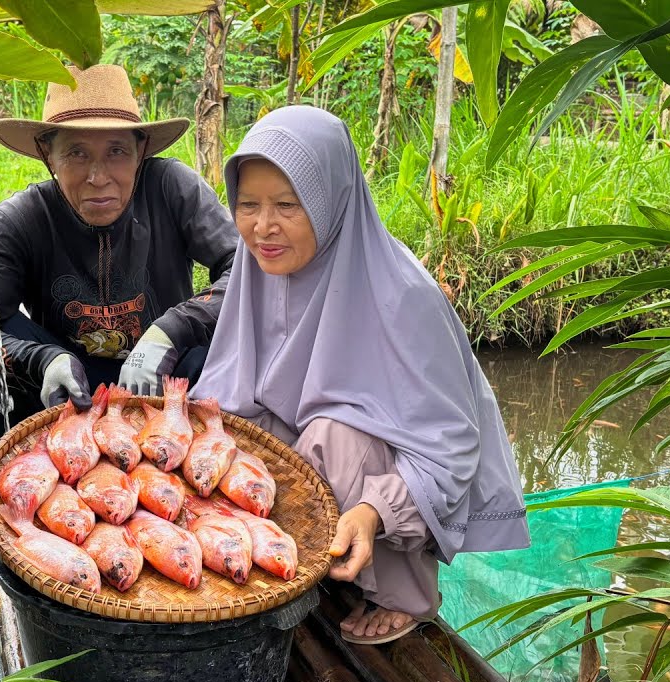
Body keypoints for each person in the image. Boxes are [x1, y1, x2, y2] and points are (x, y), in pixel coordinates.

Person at [192, 106, 529, 644]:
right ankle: (306, 555)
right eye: (248, 205)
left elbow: (453, 445)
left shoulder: (403, 296)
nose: (262, 227)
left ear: (331, 202)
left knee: (337, 437)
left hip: (392, 469)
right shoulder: (260, 267)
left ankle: (405, 593)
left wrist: (376, 510)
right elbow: (233, 390)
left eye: (287, 205)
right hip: (306, 444)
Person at [0, 64, 237, 449]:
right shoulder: (22, 217)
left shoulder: (171, 188)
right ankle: (15, 458)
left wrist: (171, 329)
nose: (98, 176)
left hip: (165, 383)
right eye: (76, 153)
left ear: (140, 152)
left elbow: (245, 269)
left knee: (220, 342)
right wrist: (41, 358)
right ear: (47, 156)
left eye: (117, 151)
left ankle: (199, 450)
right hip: (66, 389)